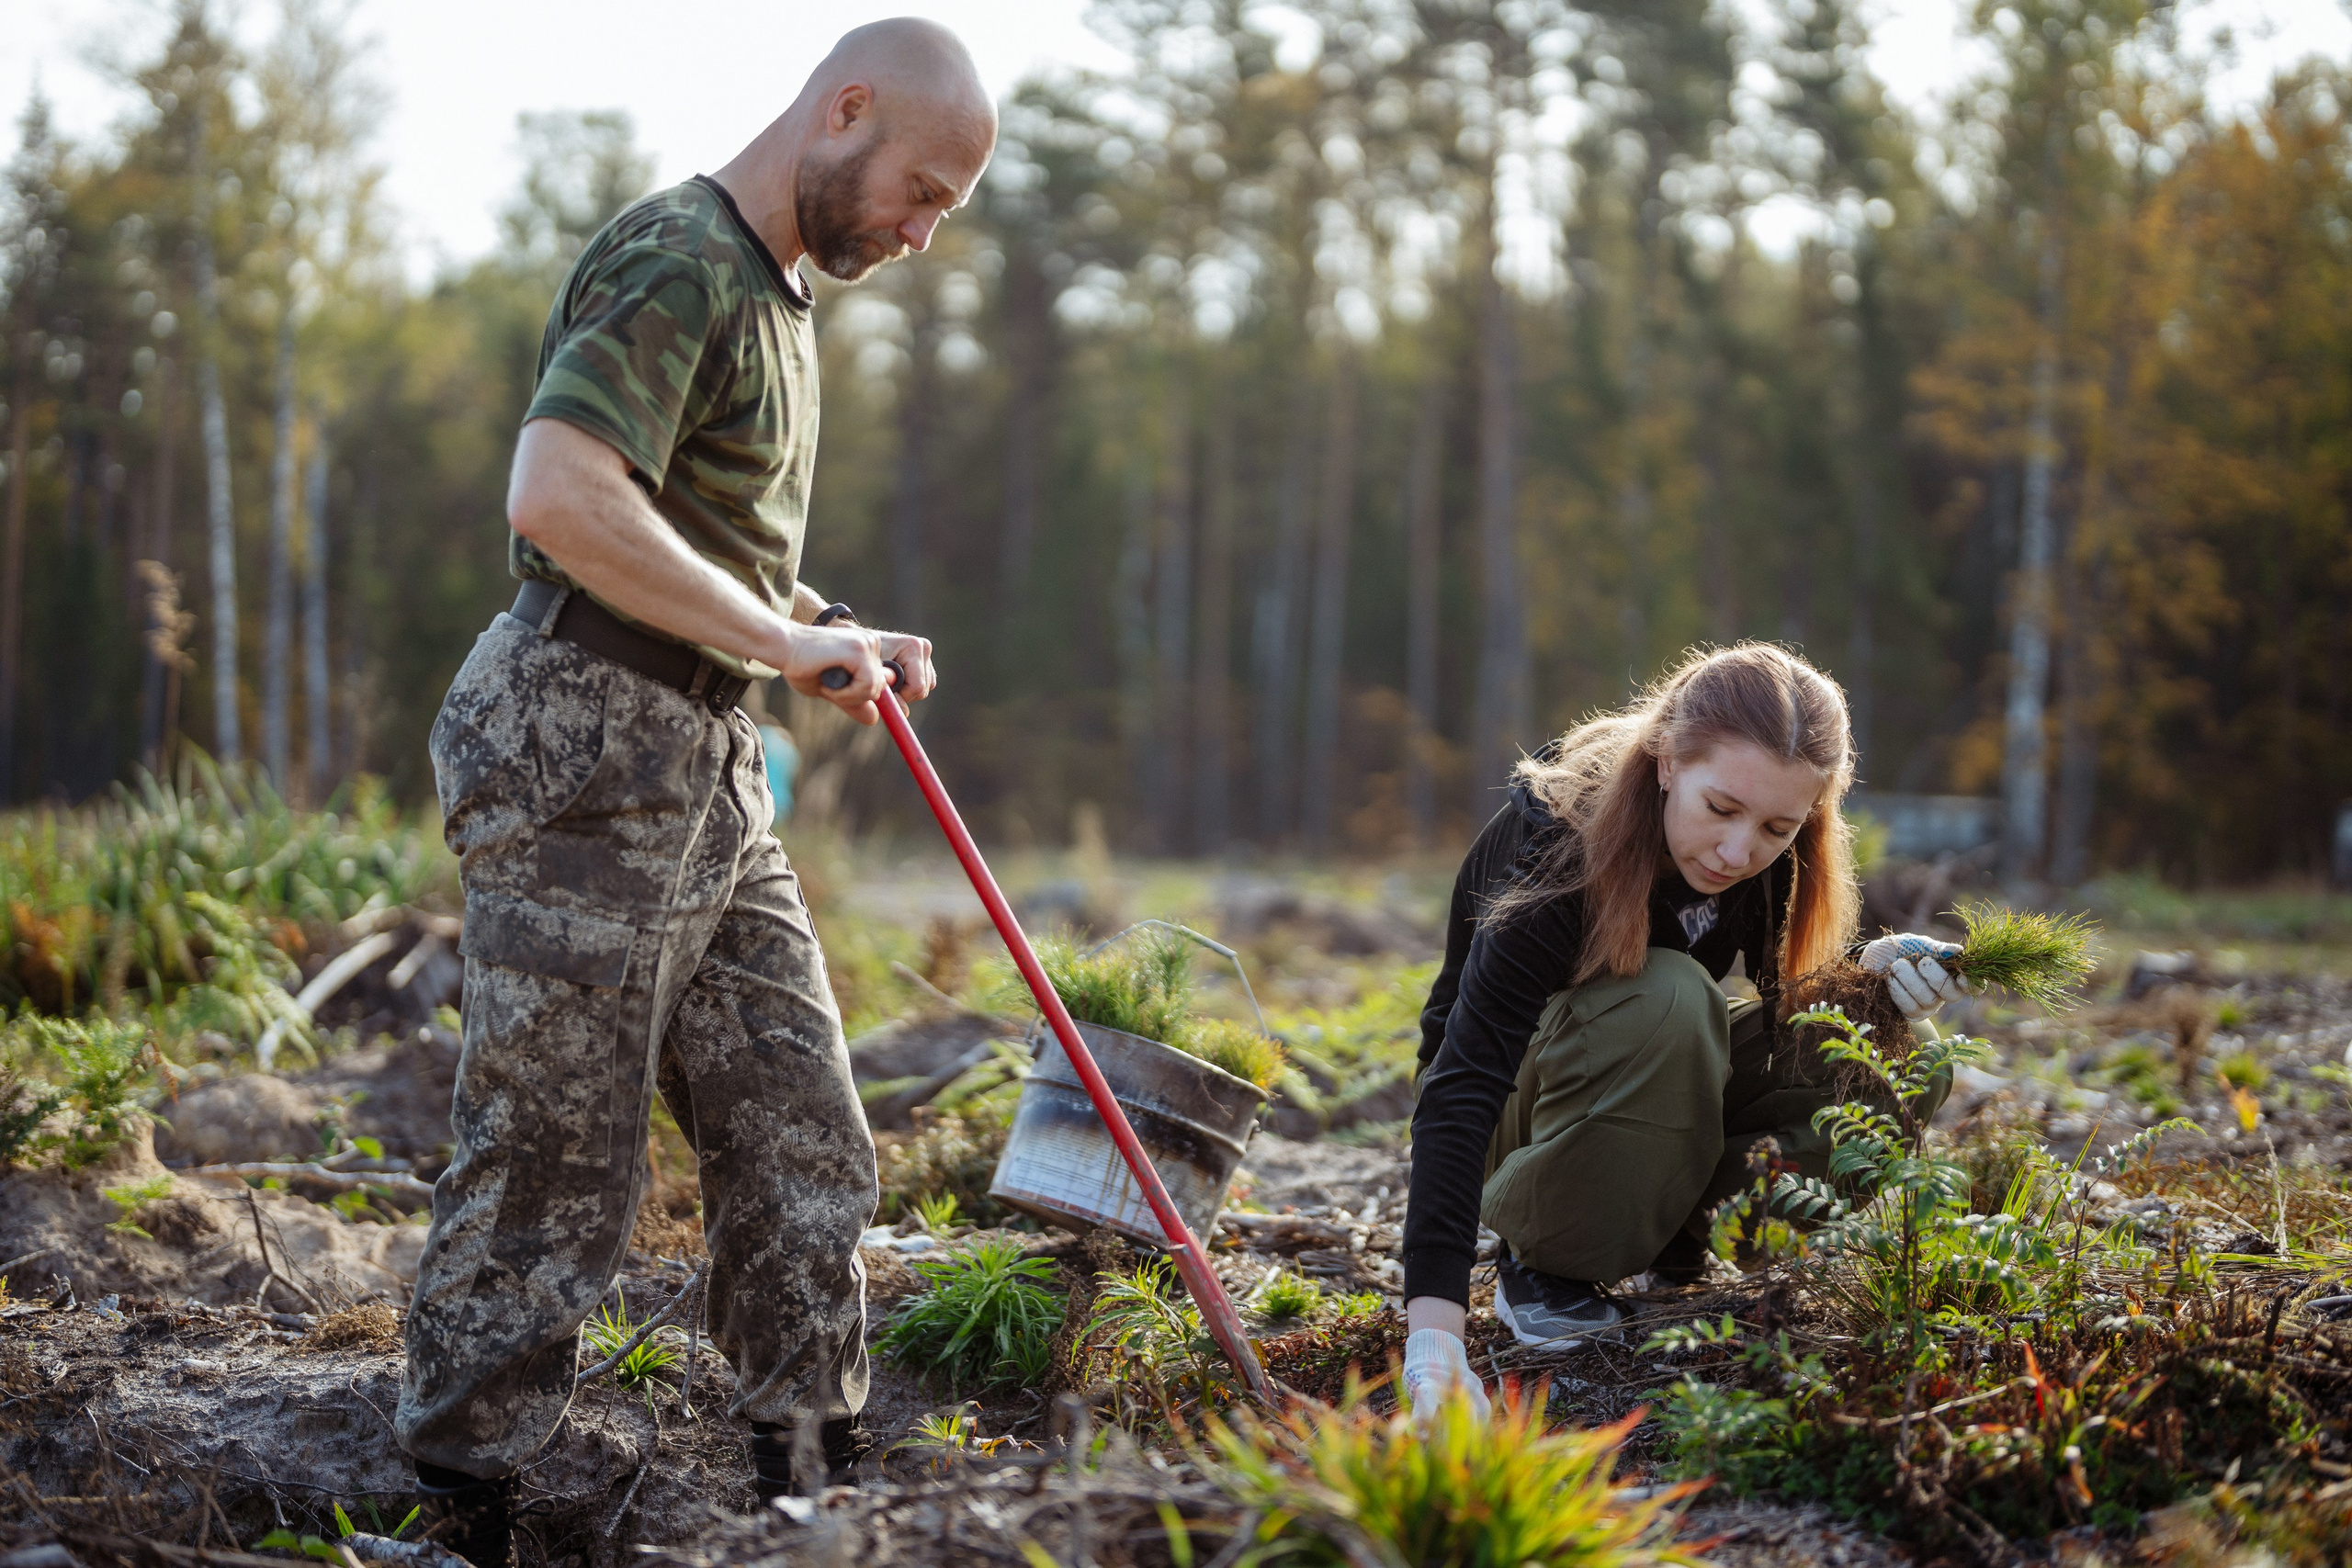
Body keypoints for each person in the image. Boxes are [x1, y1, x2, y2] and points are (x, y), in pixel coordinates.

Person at [392, 20, 996, 1562]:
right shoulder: (678, 257)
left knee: (803, 1128)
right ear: (842, 108)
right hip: (584, 751)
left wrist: (821, 630)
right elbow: (561, 494)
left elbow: (713, 552)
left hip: (712, 770)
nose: (921, 236)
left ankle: (809, 1476)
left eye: (944, 214)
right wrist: (779, 635)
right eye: (919, 190)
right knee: (554, 1160)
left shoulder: (781, 298)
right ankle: (469, 1495)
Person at [1396, 644, 1969, 1416]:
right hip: (1510, 1112)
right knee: (1672, 995)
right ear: (1667, 761)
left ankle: (1681, 1237)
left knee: (1900, 1059)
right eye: (1721, 809)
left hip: (1635, 1082)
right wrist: (1433, 1343)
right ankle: (1551, 1263)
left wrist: (1875, 981)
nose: (1740, 852)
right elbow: (1461, 1084)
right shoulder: (1558, 848)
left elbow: (1793, 1020)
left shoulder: (1772, 858)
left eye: (1777, 825)